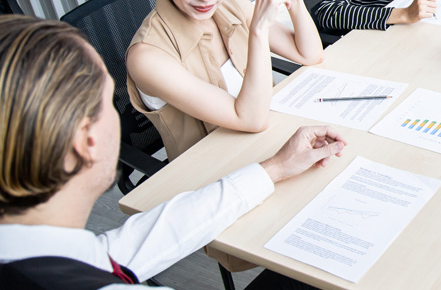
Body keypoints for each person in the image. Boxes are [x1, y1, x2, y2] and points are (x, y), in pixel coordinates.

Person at [0, 15, 347, 289]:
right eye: (107, 101)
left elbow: (123, 249)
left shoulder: (39, 255)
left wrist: (274, 168)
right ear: (85, 141)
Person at [126, 0, 325, 162]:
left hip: (275, 139)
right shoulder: (147, 56)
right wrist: (259, 31)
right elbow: (252, 119)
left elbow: (309, 54)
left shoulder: (229, 1)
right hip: (213, 168)